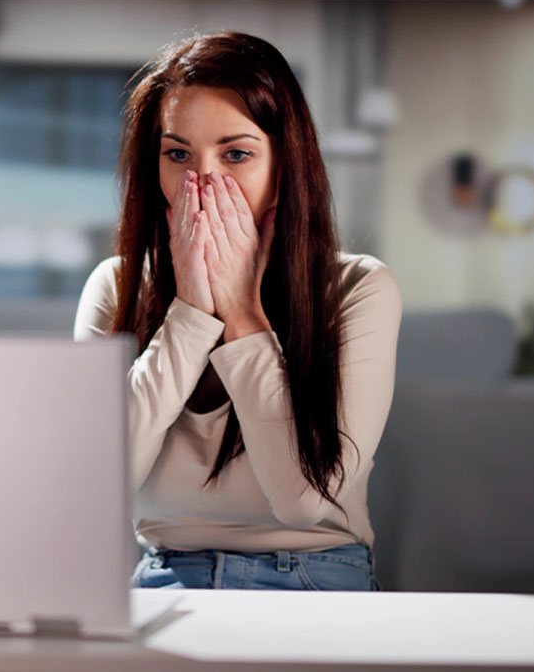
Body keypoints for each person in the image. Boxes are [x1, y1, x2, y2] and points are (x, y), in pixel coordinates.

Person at [74, 32, 401, 590]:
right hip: (163, 576)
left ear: (284, 166)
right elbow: (92, 491)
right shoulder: (116, 285)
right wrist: (192, 311)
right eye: (178, 154)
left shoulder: (358, 288)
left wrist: (242, 311)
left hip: (313, 576)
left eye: (236, 154)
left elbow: (304, 502)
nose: (201, 184)